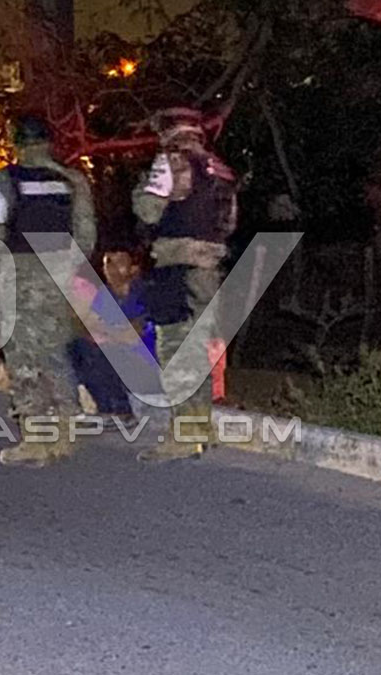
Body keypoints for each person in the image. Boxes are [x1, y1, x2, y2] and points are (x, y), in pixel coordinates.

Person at [0, 115, 98, 468]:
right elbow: (86, 238)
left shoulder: (2, 182)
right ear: (49, 142)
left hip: (19, 275)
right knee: (54, 350)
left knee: (23, 359)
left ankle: (35, 439)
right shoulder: (73, 180)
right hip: (59, 275)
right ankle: (65, 430)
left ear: (16, 143)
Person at [132, 107, 238, 462]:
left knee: (176, 351)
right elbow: (230, 223)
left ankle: (184, 435)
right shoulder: (220, 169)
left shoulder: (171, 162)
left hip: (178, 270)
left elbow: (148, 210)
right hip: (210, 271)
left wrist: (140, 190)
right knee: (198, 353)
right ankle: (200, 427)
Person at [68, 249, 158, 420]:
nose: (112, 268)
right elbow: (85, 325)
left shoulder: (144, 292)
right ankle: (109, 409)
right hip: (113, 356)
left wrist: (108, 332)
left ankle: (119, 410)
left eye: (120, 262)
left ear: (134, 268)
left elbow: (134, 333)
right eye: (108, 262)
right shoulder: (99, 291)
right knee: (83, 349)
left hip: (144, 366)